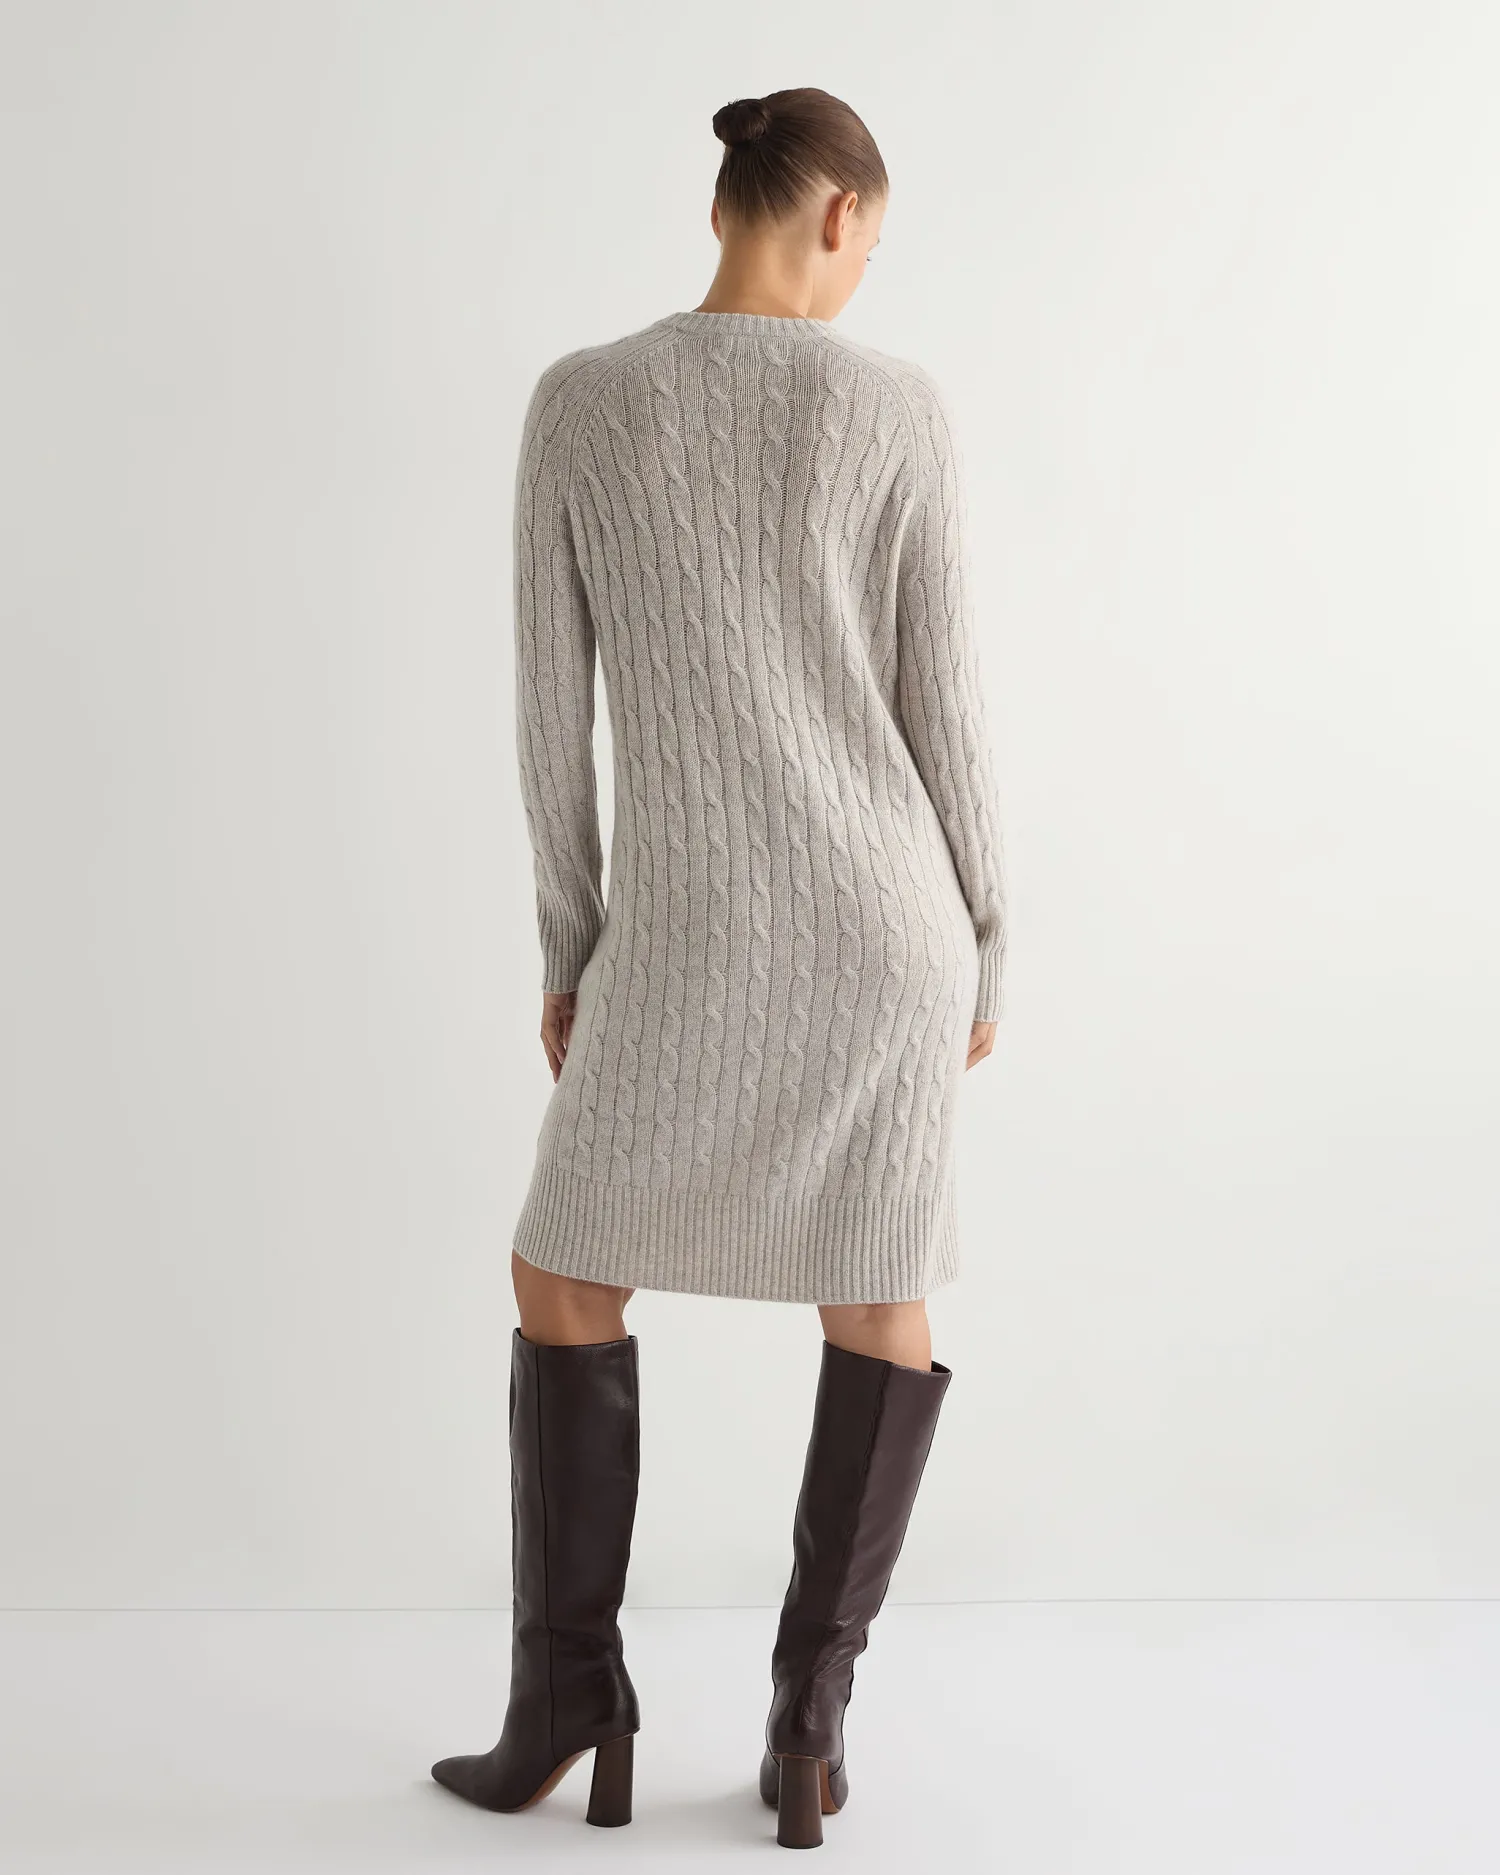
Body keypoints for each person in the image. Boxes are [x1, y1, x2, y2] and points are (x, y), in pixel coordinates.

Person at [429, 85, 1008, 1850]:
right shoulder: (897, 408)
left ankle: (567, 1696)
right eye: (875, 241)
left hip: (683, 930)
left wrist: (570, 940)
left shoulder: (584, 402)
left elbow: (552, 718)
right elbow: (947, 704)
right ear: (838, 215)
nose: (867, 271)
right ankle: (807, 1727)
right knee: (879, 1292)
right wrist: (986, 940)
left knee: (564, 1273)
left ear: (728, 204)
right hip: (890, 932)